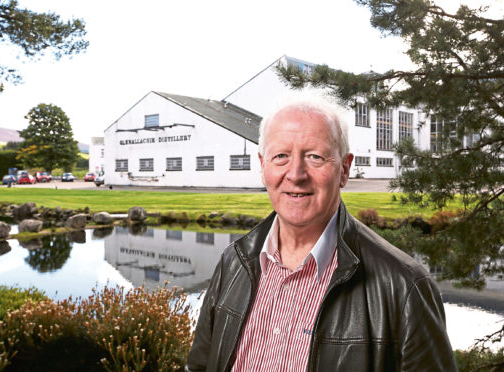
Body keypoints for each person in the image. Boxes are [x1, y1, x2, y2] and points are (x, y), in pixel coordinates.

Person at [187, 92, 457, 371]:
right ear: (262, 166)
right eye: (280, 156)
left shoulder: (403, 286)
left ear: (344, 169)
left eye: (315, 157)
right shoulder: (233, 262)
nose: (296, 174)